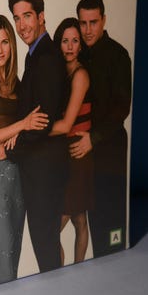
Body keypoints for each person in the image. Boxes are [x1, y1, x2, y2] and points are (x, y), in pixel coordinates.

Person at [0, 15, 49, 284]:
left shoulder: (17, 83)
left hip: (20, 174)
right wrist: (22, 124)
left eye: (5, 42)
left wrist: (15, 140)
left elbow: (28, 133)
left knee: (15, 253)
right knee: (5, 253)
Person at [6, 0, 68, 273]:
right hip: (40, 169)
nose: (22, 25)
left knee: (45, 248)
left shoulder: (46, 57)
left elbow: (42, 123)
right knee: (45, 247)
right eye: (17, 18)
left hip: (45, 171)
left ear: (41, 17)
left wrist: (7, 148)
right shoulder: (35, 55)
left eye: (27, 16)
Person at [70, 0, 132, 257]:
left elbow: (122, 108)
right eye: (83, 23)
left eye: (93, 22)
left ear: (103, 20)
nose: (87, 30)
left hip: (110, 156)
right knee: (90, 223)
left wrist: (92, 139)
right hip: (85, 158)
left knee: (112, 231)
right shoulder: (78, 54)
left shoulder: (118, 55)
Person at [50, 17, 94, 265]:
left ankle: (75, 270)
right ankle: (73, 270)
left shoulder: (80, 75)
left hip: (78, 154)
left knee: (62, 224)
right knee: (78, 217)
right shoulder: (60, 74)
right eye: (65, 40)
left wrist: (32, 130)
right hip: (64, 153)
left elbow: (67, 125)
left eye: (75, 41)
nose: (69, 46)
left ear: (81, 45)